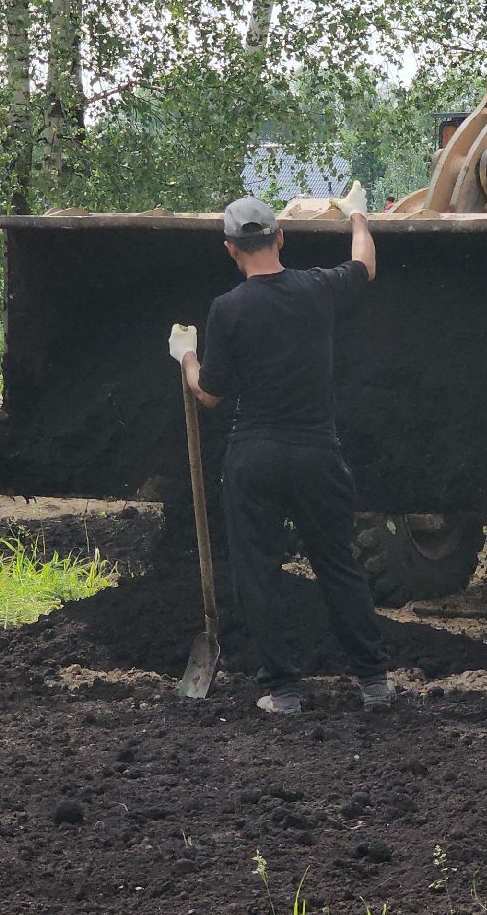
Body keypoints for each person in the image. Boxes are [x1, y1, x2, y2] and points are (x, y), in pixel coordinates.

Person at [167, 188, 391, 715]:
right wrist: (358, 212)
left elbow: (212, 394)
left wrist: (186, 356)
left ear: (229, 249)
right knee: (338, 564)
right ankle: (374, 682)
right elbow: (365, 264)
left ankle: (284, 690)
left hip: (255, 456)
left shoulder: (228, 309)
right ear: (281, 238)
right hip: (318, 452)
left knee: (258, 570)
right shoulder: (317, 288)